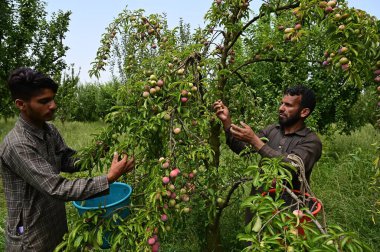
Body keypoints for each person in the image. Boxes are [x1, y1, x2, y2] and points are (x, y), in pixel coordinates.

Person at [0, 67, 135, 251]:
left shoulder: (49, 130)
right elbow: (56, 188)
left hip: (54, 225)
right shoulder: (18, 144)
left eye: (53, 98)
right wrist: (108, 179)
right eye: (44, 101)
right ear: (21, 104)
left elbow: (67, 161)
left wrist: (96, 153)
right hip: (31, 237)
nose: (53, 105)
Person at [213, 85, 322, 212]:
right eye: (281, 103)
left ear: (304, 112)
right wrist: (227, 122)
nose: (281, 108)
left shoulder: (311, 141)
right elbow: (242, 149)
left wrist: (255, 141)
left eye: (288, 105)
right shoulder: (271, 130)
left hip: (290, 212)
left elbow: (292, 166)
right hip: (258, 207)